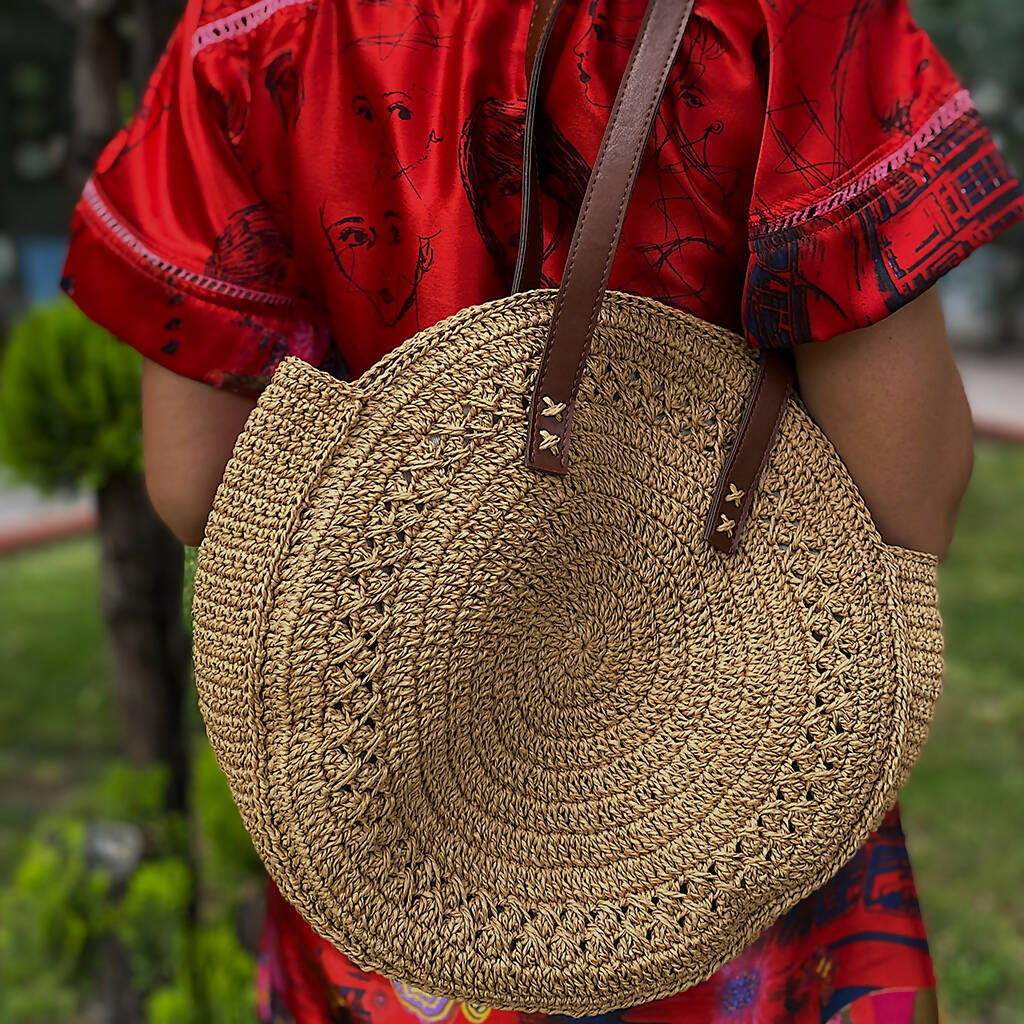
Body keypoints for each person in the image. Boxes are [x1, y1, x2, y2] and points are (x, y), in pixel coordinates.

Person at [60, 0, 1024, 1021]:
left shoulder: (242, 28)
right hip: (734, 816)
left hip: (397, 846)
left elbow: (198, 483)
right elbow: (905, 501)